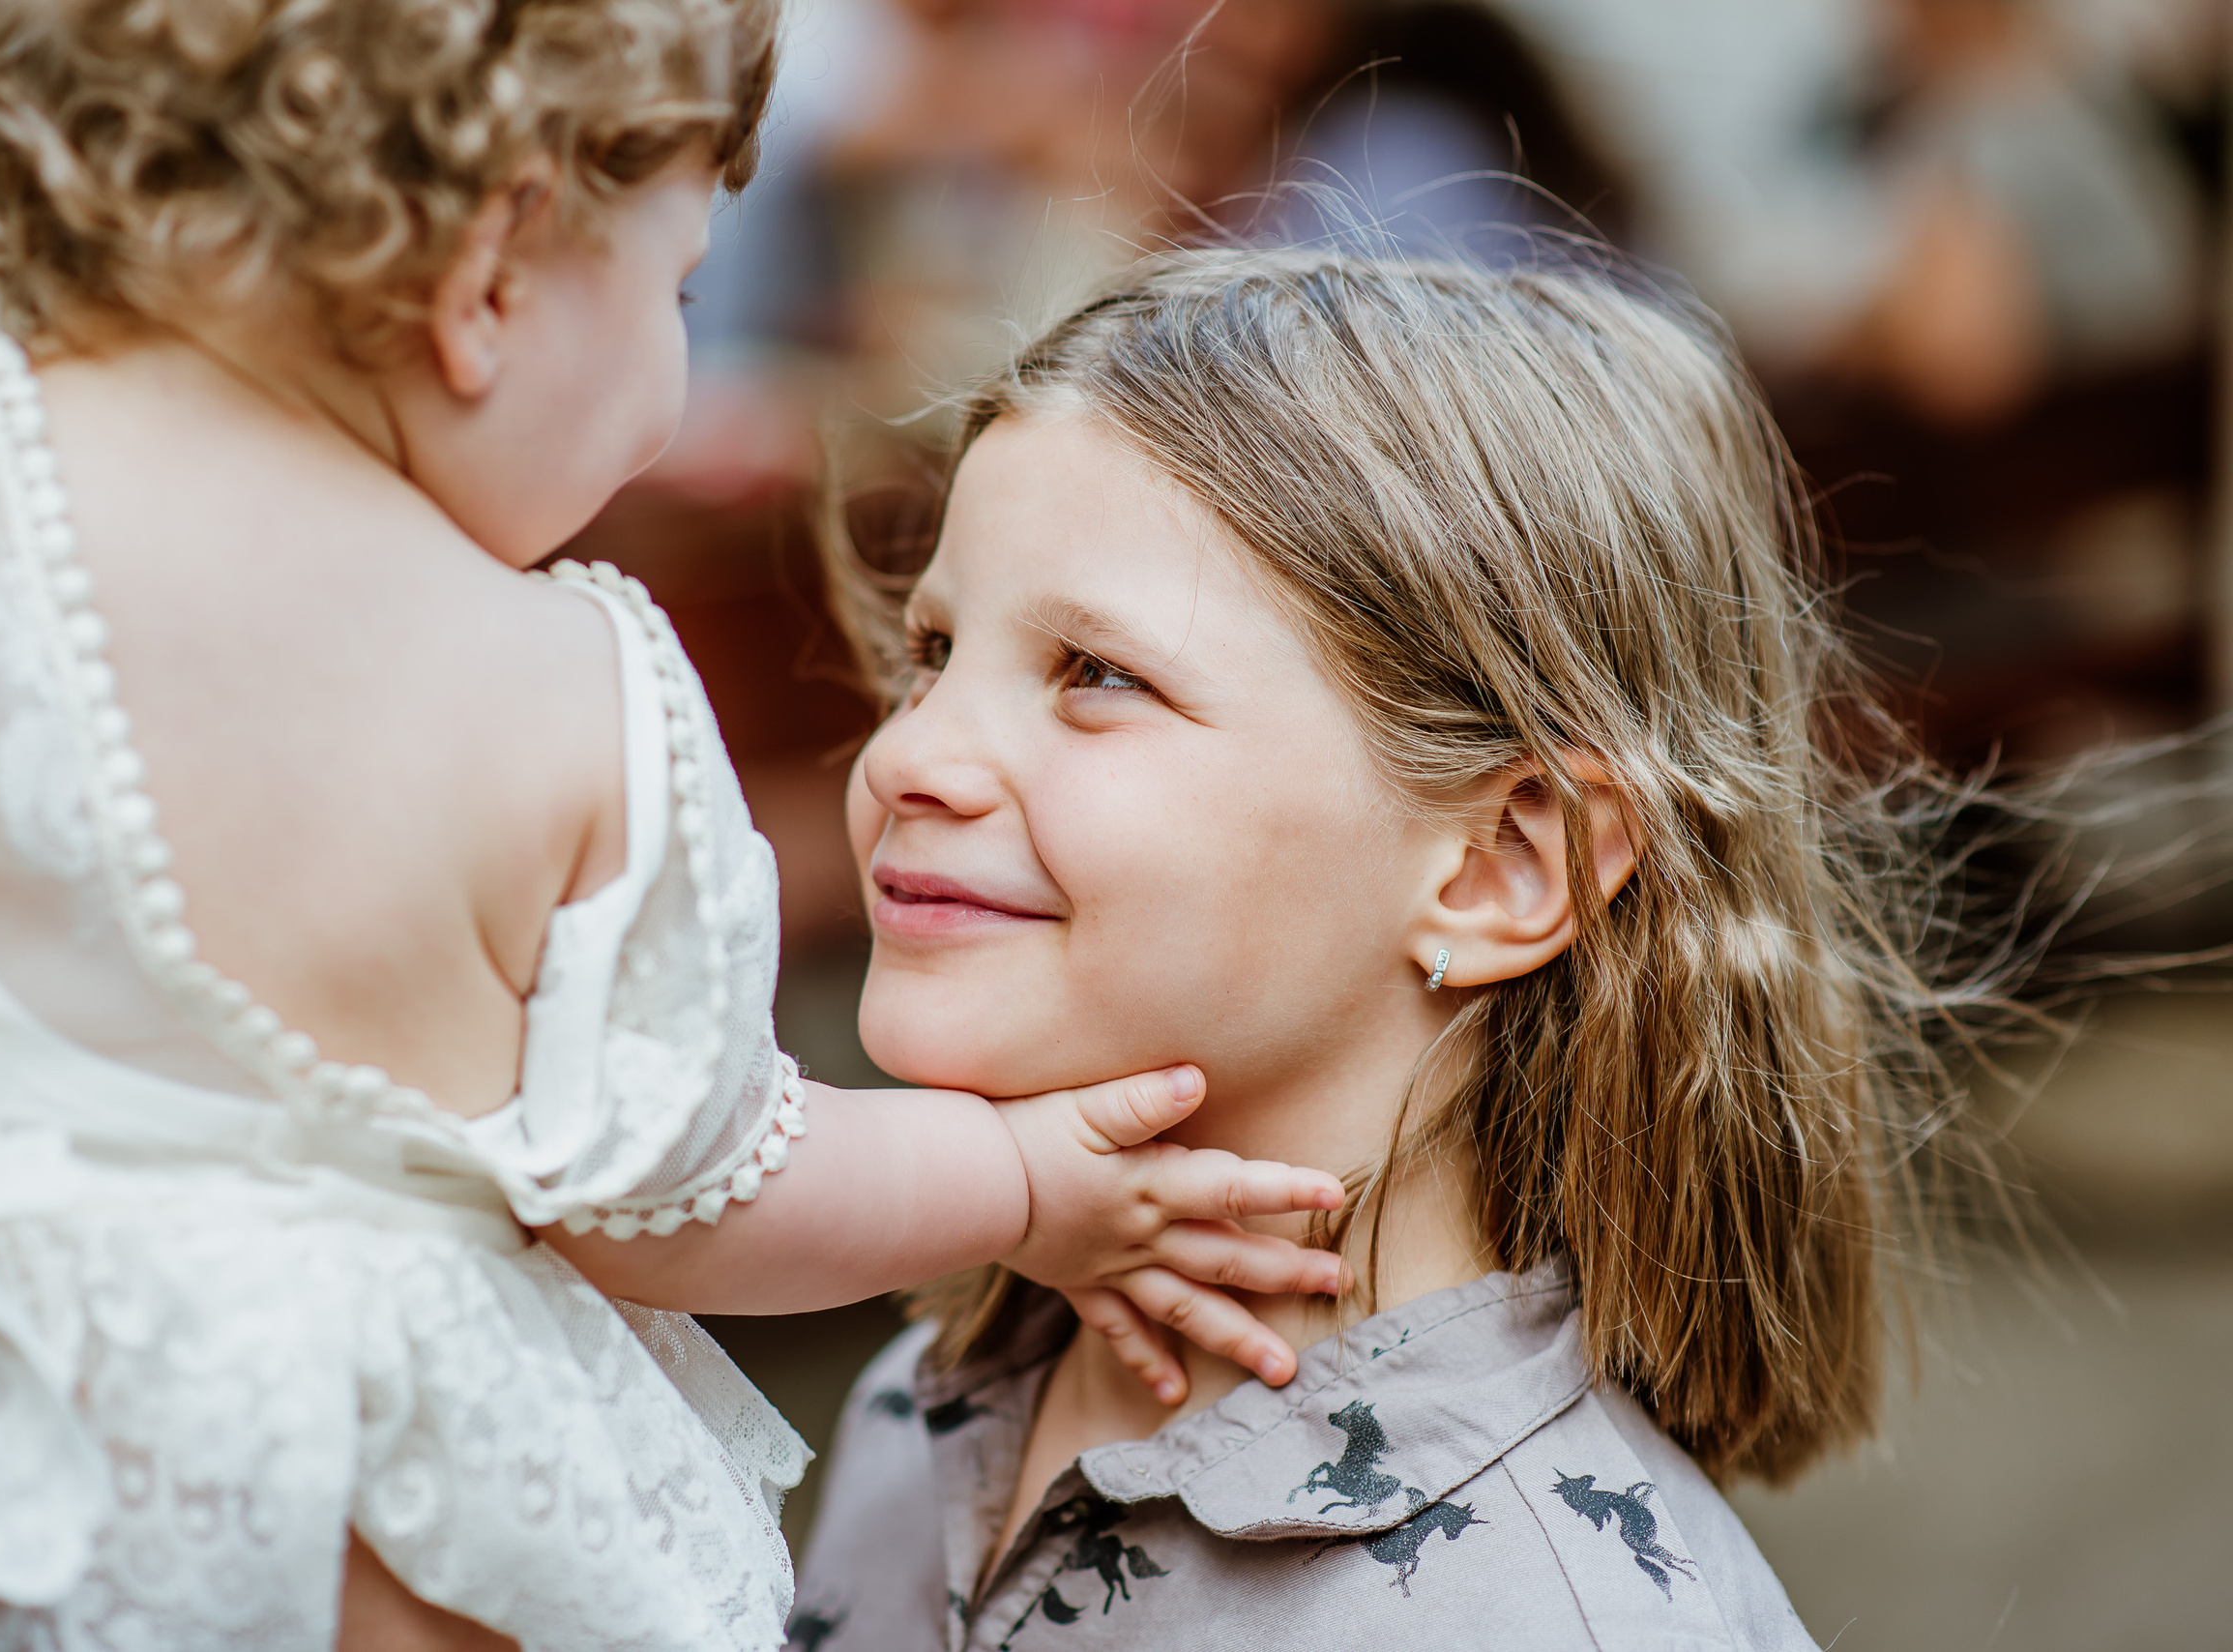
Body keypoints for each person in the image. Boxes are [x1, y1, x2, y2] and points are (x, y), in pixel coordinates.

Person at [0, 0, 1363, 1645]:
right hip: (389, 1546)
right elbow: (687, 1188)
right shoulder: (560, 690)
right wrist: (1019, 1181)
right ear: (491, 276)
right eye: (675, 289)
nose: (670, 385)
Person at [793, 248, 2025, 1649]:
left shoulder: (1544, 1618)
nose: (913, 754)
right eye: (930, 651)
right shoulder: (930, 1400)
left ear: (1503, 865)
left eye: (1099, 675)